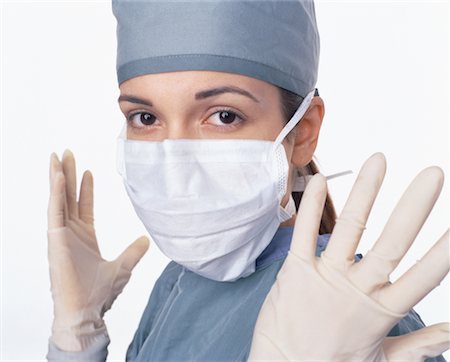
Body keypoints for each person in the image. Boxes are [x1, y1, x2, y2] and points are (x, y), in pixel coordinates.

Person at [46, 1, 449, 361]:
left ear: (303, 132)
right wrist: (77, 339)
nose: (175, 163)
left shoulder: (354, 318)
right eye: (145, 118)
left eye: (224, 115)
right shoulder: (181, 282)